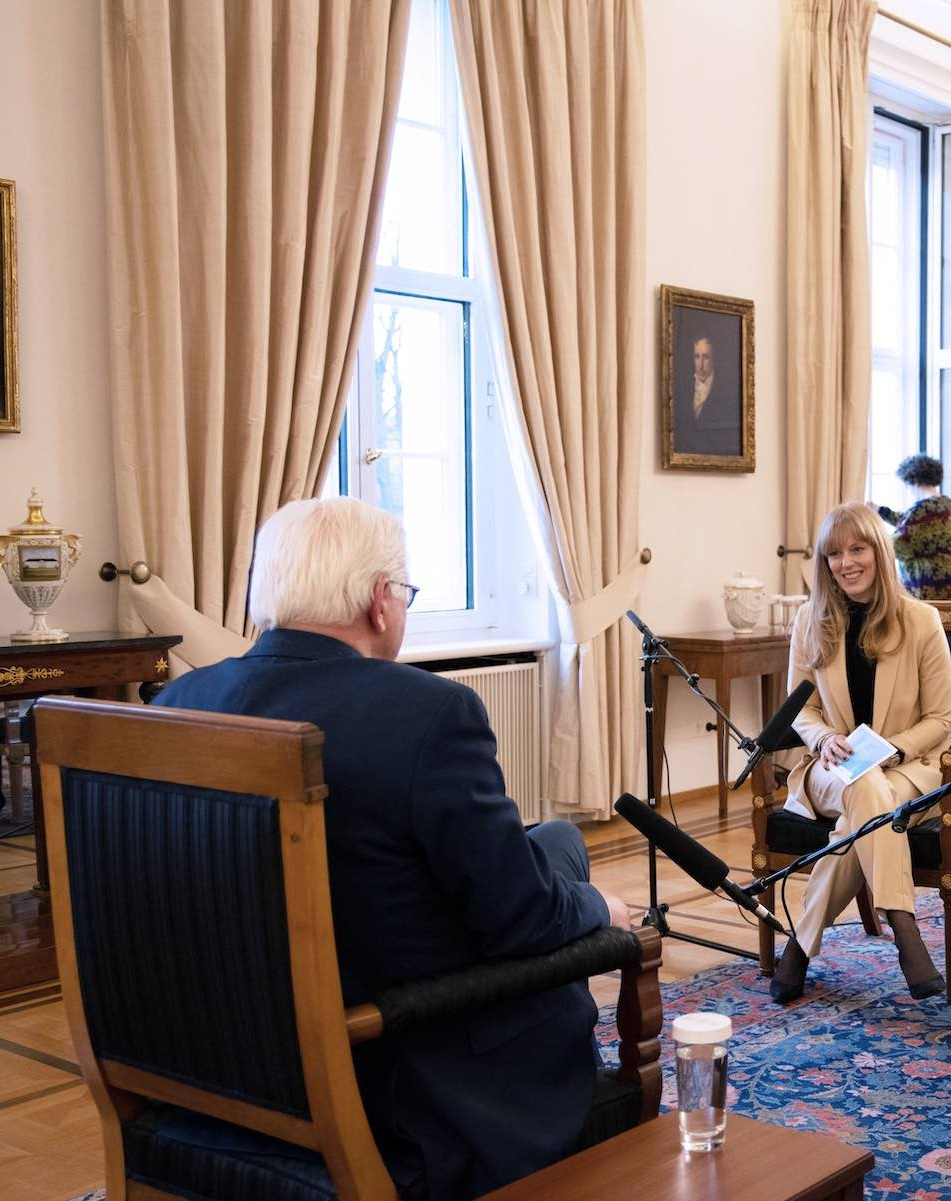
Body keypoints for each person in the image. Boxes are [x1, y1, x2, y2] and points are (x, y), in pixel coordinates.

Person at [155, 497, 632, 1200]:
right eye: (405, 594)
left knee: (554, 839)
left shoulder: (177, 703)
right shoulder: (428, 713)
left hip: (213, 1074)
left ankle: (554, 858)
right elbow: (522, 923)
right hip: (396, 1079)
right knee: (572, 882)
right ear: (382, 602)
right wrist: (599, 908)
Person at [770, 501, 951, 1004]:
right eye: (834, 553)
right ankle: (905, 928)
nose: (846, 562)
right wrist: (823, 739)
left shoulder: (921, 620)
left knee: (869, 795)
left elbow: (942, 718)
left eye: (857, 549)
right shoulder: (811, 619)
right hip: (830, 769)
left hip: (906, 770)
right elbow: (799, 711)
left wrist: (894, 748)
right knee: (862, 785)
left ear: (879, 552)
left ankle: (800, 948)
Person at [876, 454, 951, 600]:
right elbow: (914, 525)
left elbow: (899, 544)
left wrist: (869, 535)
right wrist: (881, 511)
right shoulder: (946, 503)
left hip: (931, 584)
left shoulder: (922, 509)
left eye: (907, 484)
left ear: (915, 481)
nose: (907, 489)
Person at [675, 332, 741, 457]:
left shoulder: (727, 390)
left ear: (714, 358)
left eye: (705, 357)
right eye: (697, 357)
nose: (700, 364)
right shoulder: (682, 387)